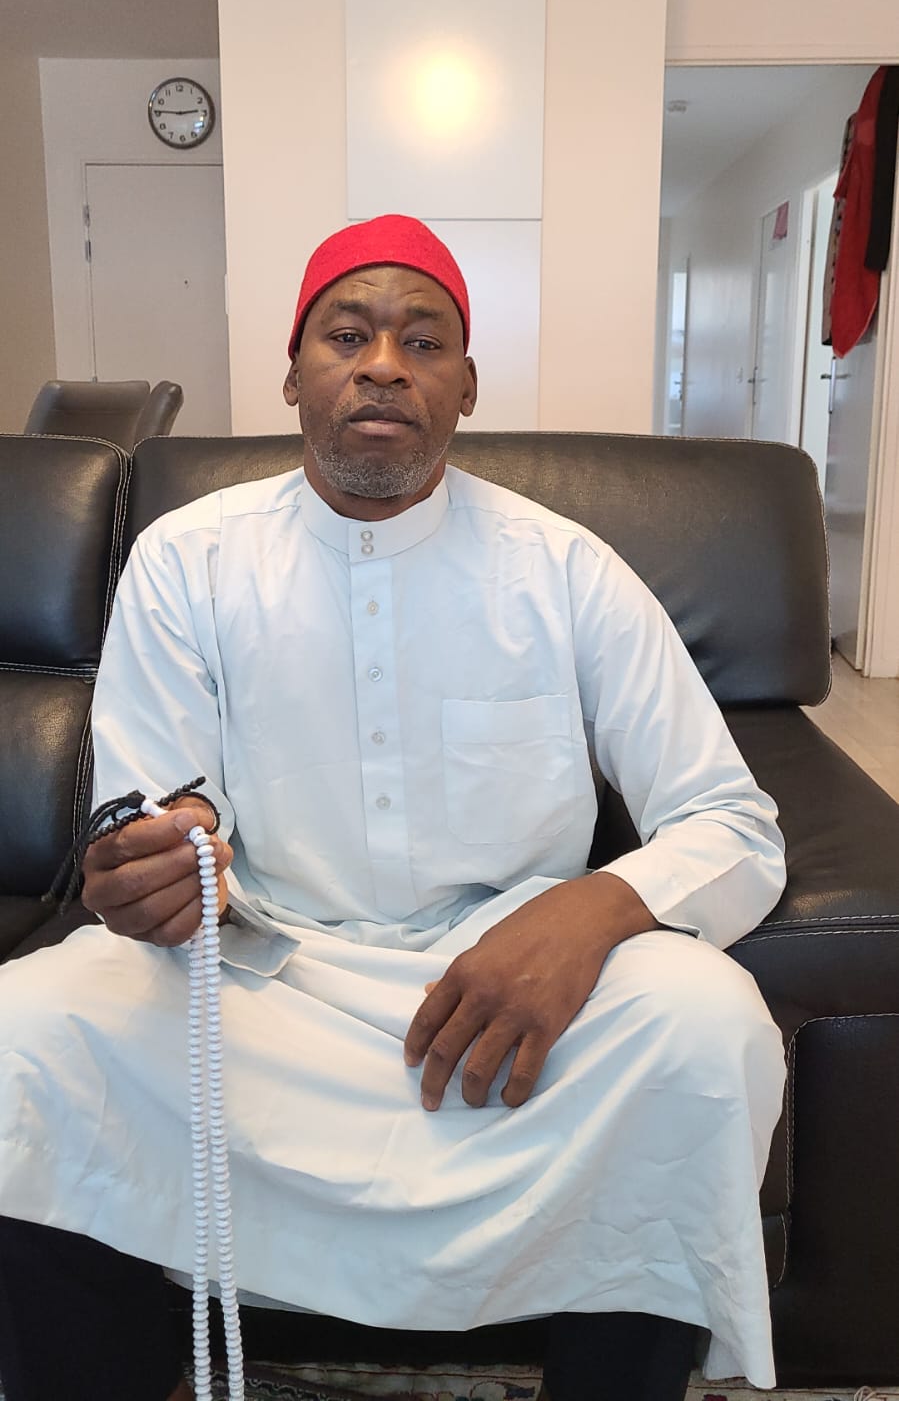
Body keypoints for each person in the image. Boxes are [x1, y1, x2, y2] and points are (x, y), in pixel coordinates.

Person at [0, 215, 787, 1401]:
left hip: (503, 989)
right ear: (293, 375)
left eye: (422, 342)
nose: (382, 365)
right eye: (346, 336)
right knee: (27, 1028)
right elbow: (158, 806)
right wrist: (156, 867)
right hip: (261, 973)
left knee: (705, 1029)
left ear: (464, 387)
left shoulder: (564, 569)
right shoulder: (187, 558)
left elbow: (730, 822)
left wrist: (585, 915)